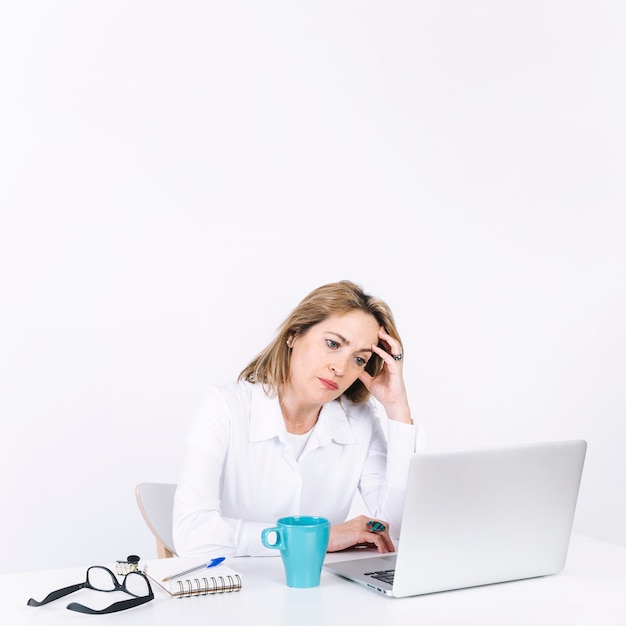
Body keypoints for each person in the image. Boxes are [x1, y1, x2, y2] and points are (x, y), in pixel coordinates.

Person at [172, 280, 419, 558]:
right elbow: (192, 536)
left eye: (359, 359)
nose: (340, 367)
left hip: (322, 592)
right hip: (236, 591)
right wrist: (317, 538)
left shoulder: (360, 420)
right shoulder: (226, 406)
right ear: (294, 334)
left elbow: (393, 530)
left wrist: (397, 409)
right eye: (333, 343)